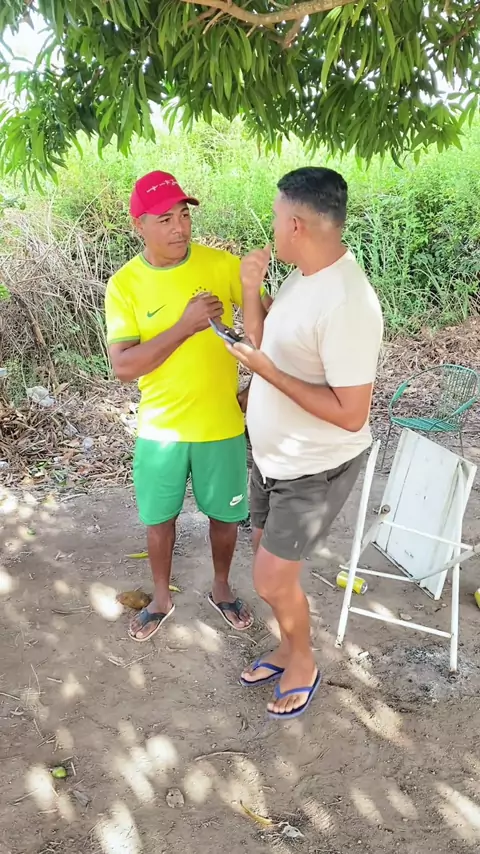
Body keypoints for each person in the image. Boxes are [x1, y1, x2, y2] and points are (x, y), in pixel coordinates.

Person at [228, 167, 383, 720]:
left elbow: (351, 414)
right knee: (270, 566)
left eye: (275, 216)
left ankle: (304, 663)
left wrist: (266, 373)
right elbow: (263, 341)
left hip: (315, 465)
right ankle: (288, 647)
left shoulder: (348, 303)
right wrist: (251, 291)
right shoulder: (302, 278)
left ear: (295, 224)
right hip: (275, 455)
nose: (272, 226)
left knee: (271, 578)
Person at [105, 170, 261, 641]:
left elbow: (270, 320)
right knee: (159, 521)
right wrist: (184, 326)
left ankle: (221, 587)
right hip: (161, 429)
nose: (180, 228)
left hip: (221, 423)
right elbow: (123, 366)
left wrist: (257, 385)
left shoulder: (221, 265)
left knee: (226, 517)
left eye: (184, 216)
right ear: (139, 225)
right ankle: (161, 598)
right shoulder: (125, 285)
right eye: (165, 219)